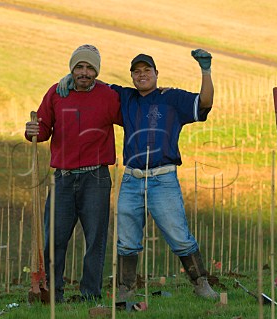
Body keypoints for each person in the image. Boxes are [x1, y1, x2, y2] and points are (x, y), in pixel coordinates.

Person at [57, 49, 218, 299]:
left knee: (179, 236)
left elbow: (205, 102)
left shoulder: (173, 98)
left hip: (163, 179)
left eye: (147, 71)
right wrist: (67, 77)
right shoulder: (125, 97)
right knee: (126, 239)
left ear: (156, 74)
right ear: (131, 76)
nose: (142, 75)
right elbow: (91, 81)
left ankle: (201, 283)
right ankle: (125, 289)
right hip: (132, 180)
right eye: (137, 71)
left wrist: (205, 70)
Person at [25, 44, 122, 302]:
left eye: (90, 68)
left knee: (95, 239)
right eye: (79, 66)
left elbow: (132, 117)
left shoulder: (108, 96)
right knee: (54, 239)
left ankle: (90, 294)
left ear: (97, 72)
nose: (84, 72)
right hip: (63, 178)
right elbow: (43, 129)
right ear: (72, 68)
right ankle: (52, 293)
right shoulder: (57, 93)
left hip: (96, 177)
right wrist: (32, 130)